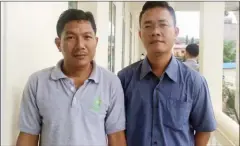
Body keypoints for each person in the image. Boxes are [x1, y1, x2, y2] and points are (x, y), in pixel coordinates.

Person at [16, 9, 126, 146]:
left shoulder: (111, 83)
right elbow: (28, 137)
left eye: (87, 37)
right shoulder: (38, 83)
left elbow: (116, 137)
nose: (80, 45)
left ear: (96, 42)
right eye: (71, 37)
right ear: (58, 43)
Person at [118, 1, 216, 146]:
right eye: (148, 26)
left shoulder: (194, 82)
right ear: (140, 34)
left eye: (163, 24)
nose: (155, 31)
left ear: (176, 32)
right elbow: (117, 130)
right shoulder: (124, 79)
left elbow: (204, 130)